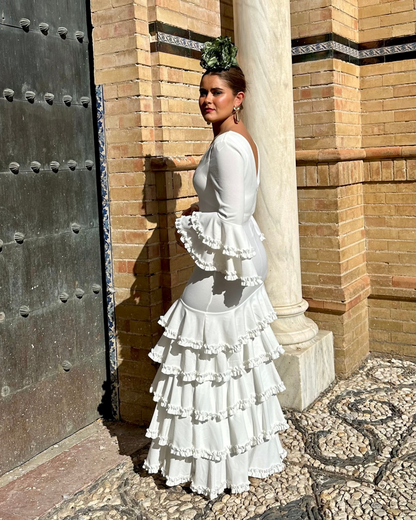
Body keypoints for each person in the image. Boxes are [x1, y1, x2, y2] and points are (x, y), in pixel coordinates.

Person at [143, 36, 288, 499]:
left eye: (217, 92)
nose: (207, 100)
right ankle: (239, 457)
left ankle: (210, 466)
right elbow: (236, 210)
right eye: (203, 92)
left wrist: (192, 218)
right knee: (227, 362)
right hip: (243, 260)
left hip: (230, 266)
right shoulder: (241, 139)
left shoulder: (227, 145)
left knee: (198, 351)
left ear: (238, 98)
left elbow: (227, 219)